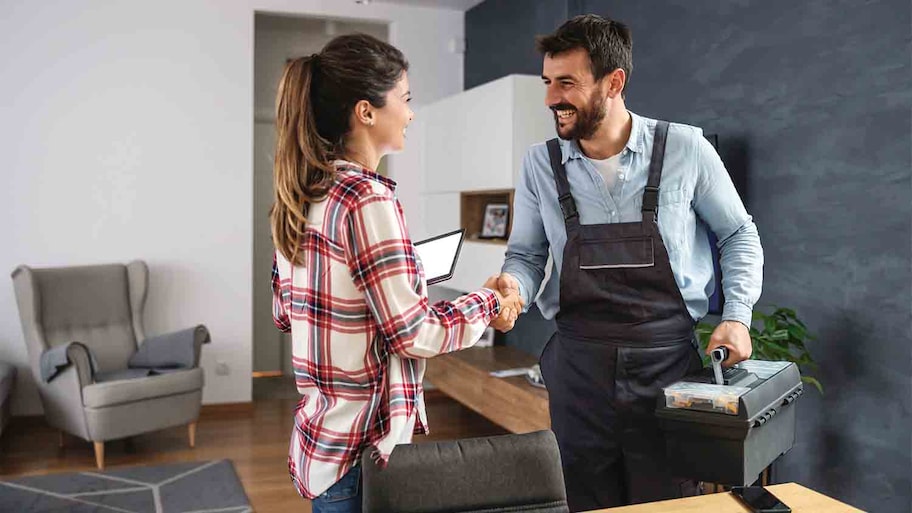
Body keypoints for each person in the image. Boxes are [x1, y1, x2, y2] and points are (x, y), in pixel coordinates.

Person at [492, 14, 764, 511]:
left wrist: (737, 316)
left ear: (614, 82)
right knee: (584, 500)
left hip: (667, 369)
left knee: (669, 502)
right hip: (578, 371)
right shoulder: (540, 163)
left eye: (567, 83)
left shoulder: (686, 148)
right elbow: (528, 256)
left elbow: (739, 234)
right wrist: (513, 285)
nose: (552, 98)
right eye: (548, 82)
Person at [269, 34, 523, 513]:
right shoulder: (367, 199)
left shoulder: (303, 194)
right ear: (366, 111)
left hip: (322, 445)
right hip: (363, 454)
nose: (410, 113)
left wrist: (395, 279)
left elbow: (290, 312)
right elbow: (413, 334)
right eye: (405, 99)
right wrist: (488, 303)